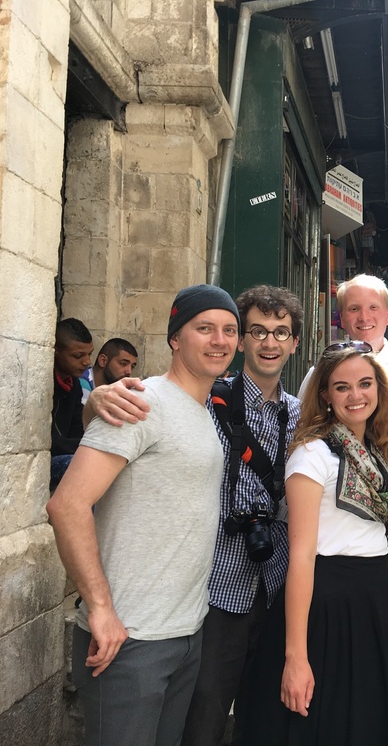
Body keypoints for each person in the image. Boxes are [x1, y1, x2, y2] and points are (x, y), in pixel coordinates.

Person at [86, 286, 305, 746]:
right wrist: (95, 401)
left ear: (294, 342)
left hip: (277, 586)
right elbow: (146, 405)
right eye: (258, 332)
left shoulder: (302, 417)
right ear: (243, 341)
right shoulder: (205, 398)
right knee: (200, 723)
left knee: (264, 722)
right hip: (214, 593)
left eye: (280, 333)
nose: (269, 343)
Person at [46, 284, 240, 746]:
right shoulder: (140, 402)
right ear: (176, 337)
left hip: (184, 631)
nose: (220, 340)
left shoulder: (203, 411)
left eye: (229, 330)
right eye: (205, 328)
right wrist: (99, 609)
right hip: (128, 639)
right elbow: (67, 505)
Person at [240, 341, 388, 745]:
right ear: (325, 395)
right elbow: (301, 556)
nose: (356, 395)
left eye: (365, 383)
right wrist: (295, 656)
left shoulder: (378, 451)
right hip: (328, 604)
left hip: (381, 600)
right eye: (342, 387)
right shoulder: (310, 455)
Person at [297, 274, 388, 401]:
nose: (364, 318)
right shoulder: (321, 373)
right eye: (354, 309)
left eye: (373, 307)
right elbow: (304, 418)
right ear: (342, 319)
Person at [50, 317, 94, 489]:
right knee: (84, 466)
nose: (87, 362)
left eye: (89, 354)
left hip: (66, 453)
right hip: (49, 461)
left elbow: (78, 428)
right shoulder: (43, 383)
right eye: (78, 356)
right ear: (55, 350)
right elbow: (50, 443)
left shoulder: (73, 384)